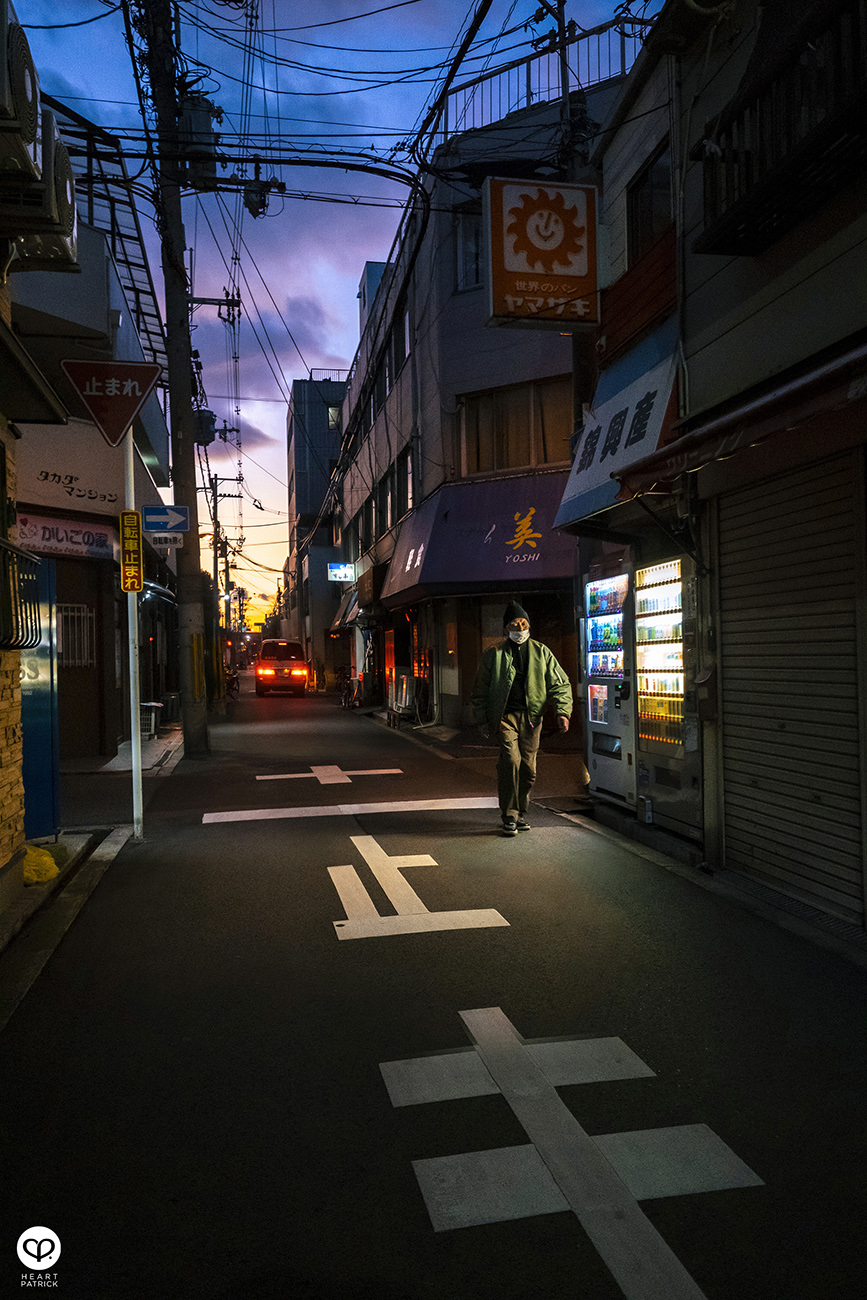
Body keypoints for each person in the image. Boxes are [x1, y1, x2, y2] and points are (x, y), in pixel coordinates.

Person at [471, 601, 573, 836]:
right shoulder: (493, 654)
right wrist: (482, 719)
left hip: (532, 719)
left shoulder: (542, 652)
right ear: (506, 628)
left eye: (523, 623)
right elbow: (480, 690)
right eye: (514, 624)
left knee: (528, 769)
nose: (519, 628)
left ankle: (520, 812)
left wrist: (562, 711)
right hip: (505, 717)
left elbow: (560, 683)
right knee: (510, 762)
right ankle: (509, 815)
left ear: (529, 626)